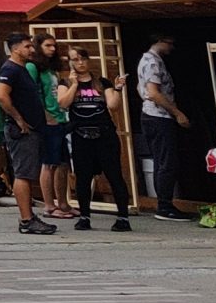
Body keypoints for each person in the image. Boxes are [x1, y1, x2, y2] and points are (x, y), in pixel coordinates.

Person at [65, 52, 133, 232]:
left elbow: (113, 106)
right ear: (70, 63)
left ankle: (123, 217)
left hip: (104, 134)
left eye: (83, 59)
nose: (80, 63)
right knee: (83, 177)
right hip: (80, 134)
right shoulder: (65, 83)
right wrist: (73, 85)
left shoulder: (102, 83)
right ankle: (84, 216)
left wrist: (117, 88)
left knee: (114, 175)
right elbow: (63, 103)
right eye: (75, 59)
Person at [0, 30, 56, 234]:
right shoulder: (10, 69)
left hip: (34, 128)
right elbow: (1, 95)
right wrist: (18, 118)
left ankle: (29, 216)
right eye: (27, 46)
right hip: (20, 130)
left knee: (28, 172)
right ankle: (26, 219)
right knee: (23, 173)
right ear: (15, 49)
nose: (31, 49)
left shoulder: (22, 69)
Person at [137, 31, 194, 220]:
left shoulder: (146, 60)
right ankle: (164, 205)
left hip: (151, 114)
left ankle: (164, 203)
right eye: (169, 42)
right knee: (166, 161)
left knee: (162, 161)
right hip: (158, 116)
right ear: (159, 41)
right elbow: (153, 92)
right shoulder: (152, 62)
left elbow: (142, 90)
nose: (171, 47)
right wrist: (177, 113)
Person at [33, 33, 73, 222]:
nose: (52, 49)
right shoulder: (34, 67)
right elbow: (33, 93)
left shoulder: (51, 69)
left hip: (60, 117)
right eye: (48, 45)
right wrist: (45, 115)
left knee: (63, 163)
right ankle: (49, 205)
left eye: (54, 46)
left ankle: (63, 202)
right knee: (49, 163)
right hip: (48, 120)